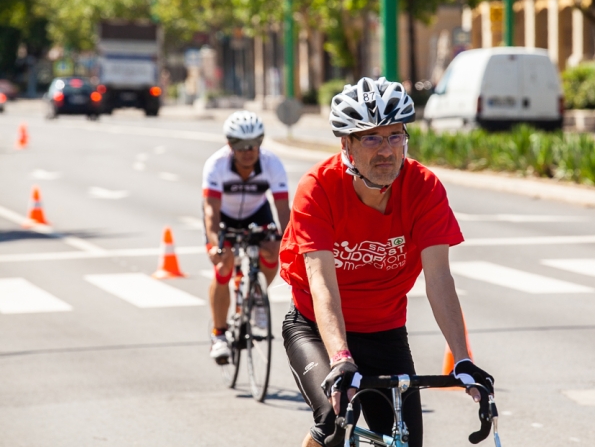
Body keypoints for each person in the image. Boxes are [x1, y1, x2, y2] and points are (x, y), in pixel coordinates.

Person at [279, 77, 495, 447]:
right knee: (333, 421)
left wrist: (462, 360)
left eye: (395, 136)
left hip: (384, 330)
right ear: (346, 145)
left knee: (405, 441)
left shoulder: (424, 187)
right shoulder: (317, 188)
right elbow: (321, 284)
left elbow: (439, 278)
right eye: (372, 138)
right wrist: (341, 357)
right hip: (317, 327)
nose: (386, 151)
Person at [202, 110, 290, 363]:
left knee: (274, 249)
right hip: (223, 218)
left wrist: (290, 240)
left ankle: (257, 296)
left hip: (256, 213)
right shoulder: (216, 165)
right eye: (241, 146)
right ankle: (219, 335)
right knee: (224, 264)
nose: (248, 150)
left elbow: (283, 209)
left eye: (254, 144)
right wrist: (216, 244)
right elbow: (210, 211)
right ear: (230, 144)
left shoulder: (272, 163)